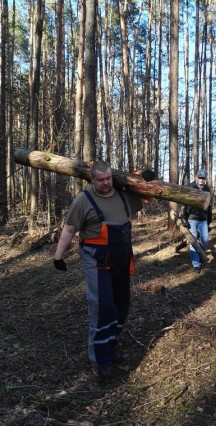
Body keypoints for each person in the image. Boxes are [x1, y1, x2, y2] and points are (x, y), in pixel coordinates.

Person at [54, 160, 154, 381]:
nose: (106, 183)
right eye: (101, 179)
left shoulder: (121, 196)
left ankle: (110, 347)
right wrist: (58, 256)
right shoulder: (84, 200)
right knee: (102, 307)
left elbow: (146, 199)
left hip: (121, 260)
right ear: (92, 179)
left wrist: (147, 182)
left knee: (121, 305)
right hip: (96, 262)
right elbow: (69, 228)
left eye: (109, 178)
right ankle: (100, 360)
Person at [179, 169, 212, 273]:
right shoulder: (190, 187)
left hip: (203, 219)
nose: (201, 180)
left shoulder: (207, 188)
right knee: (193, 242)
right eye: (200, 177)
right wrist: (184, 218)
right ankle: (196, 264)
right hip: (191, 218)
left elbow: (209, 206)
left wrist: (209, 220)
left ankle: (200, 255)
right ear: (196, 177)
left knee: (205, 240)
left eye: (203, 178)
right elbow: (184, 203)